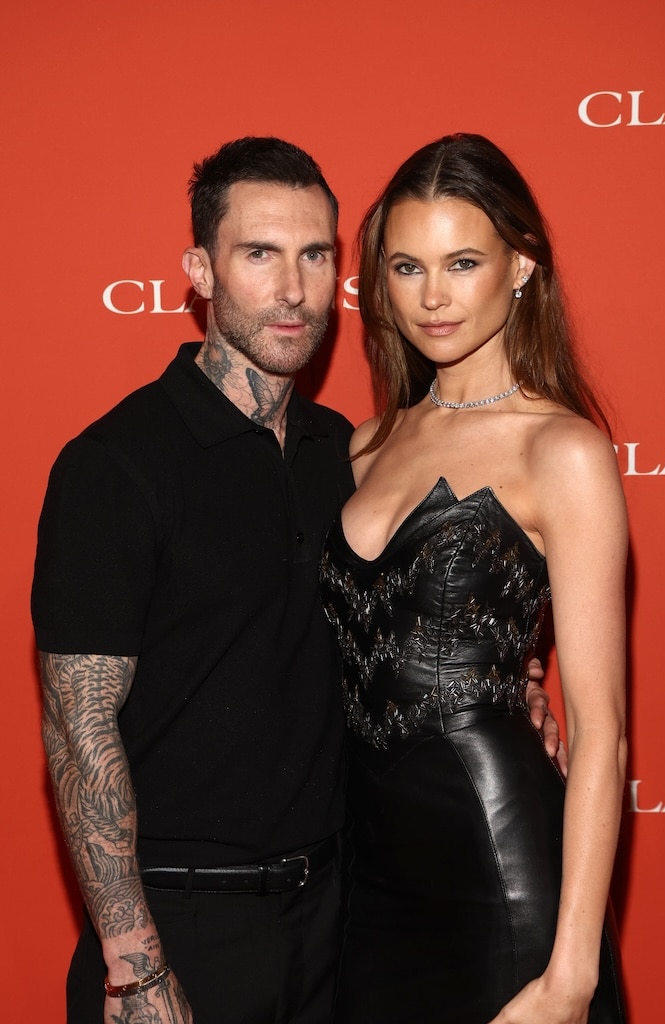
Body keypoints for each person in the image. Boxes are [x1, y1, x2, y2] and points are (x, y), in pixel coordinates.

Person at [33, 136, 559, 1024]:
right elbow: (77, 729)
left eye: (314, 255)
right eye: (258, 254)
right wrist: (135, 969)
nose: (291, 289)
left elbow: (405, 618)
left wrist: (515, 682)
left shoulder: (342, 453)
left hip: (338, 920)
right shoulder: (116, 465)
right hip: (179, 926)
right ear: (200, 271)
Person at [319, 133, 628, 1024]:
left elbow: (601, 733)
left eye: (462, 262)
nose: (432, 297)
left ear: (520, 265)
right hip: (369, 884)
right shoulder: (366, 445)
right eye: (406, 267)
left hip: (500, 868)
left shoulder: (560, 450)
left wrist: (570, 977)